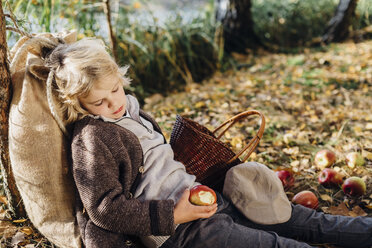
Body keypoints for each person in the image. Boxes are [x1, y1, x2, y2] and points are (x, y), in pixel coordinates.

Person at [44, 38, 372, 248]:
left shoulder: (129, 108)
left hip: (205, 199)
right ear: (78, 103)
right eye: (98, 102)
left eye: (115, 89)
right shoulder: (92, 139)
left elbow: (161, 163)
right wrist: (175, 214)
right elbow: (105, 209)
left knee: (299, 219)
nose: (112, 103)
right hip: (179, 231)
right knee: (275, 244)